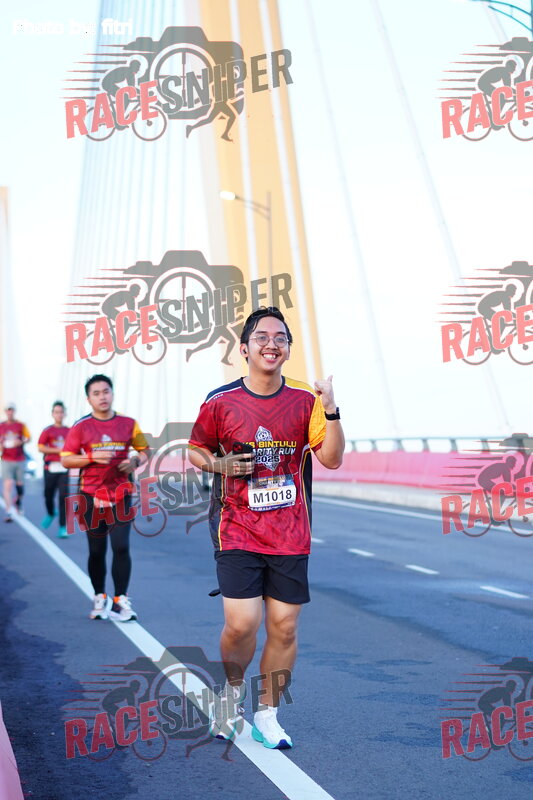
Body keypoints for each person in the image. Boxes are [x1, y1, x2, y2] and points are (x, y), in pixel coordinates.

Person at [188, 306, 345, 749]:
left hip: (290, 531)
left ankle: (268, 714)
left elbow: (332, 459)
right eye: (261, 337)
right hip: (237, 526)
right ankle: (231, 695)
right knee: (242, 624)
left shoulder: (305, 402)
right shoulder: (220, 401)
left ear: (288, 349)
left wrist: (331, 410)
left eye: (280, 338)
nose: (271, 344)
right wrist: (220, 464)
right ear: (244, 349)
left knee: (285, 627)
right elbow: (195, 449)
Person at [61, 374, 149, 621]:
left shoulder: (129, 423)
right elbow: (66, 459)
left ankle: (120, 600)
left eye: (106, 391)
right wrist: (91, 458)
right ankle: (99, 596)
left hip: (121, 494)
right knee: (97, 550)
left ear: (112, 393)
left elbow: (144, 450)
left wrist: (135, 461)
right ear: (88, 399)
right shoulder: (80, 426)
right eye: (96, 393)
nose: (102, 397)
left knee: (121, 546)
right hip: (91, 496)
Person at [38, 401, 70, 538]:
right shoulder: (47, 431)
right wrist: (58, 450)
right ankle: (51, 513)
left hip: (64, 469)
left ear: (65, 414)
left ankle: (63, 527)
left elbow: (74, 447)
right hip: (50, 468)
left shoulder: (69, 431)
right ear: (52, 414)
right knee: (48, 495)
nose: (59, 415)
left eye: (61, 412)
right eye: (56, 412)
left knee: (63, 497)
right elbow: (41, 447)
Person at [0, 403, 31, 522]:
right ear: (5, 412)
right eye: (8, 410)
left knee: (20, 488)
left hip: (19, 459)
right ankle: (9, 511)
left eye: (11, 410)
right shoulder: (1, 426)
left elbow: (28, 438)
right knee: (7, 485)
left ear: (14, 411)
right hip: (6, 459)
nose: (10, 412)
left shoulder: (21, 425)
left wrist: (20, 442)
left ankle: (18, 501)